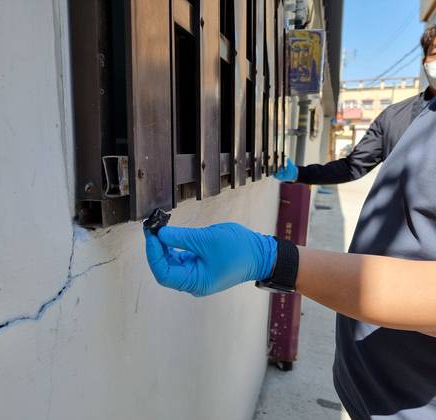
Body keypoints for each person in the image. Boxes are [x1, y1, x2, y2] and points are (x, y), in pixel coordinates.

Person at [144, 27, 436, 419]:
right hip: (363, 376)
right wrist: (301, 173)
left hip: (416, 398)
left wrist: (271, 259)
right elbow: (352, 166)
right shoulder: (405, 116)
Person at [275, 26, 436, 186]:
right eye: (434, 54)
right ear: (424, 62)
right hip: (392, 212)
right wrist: (299, 173)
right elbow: (352, 166)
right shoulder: (393, 117)